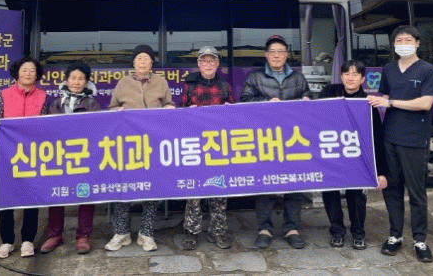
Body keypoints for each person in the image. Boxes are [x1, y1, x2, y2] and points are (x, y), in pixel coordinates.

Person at [368, 26, 433, 263]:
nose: (403, 44)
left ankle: (420, 240)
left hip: (414, 139)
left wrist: (390, 102)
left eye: (408, 40)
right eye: (398, 40)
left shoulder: (427, 70)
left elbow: (425, 104)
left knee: (416, 192)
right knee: (392, 190)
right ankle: (395, 236)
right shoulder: (389, 69)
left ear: (417, 43)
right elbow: (382, 97)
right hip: (390, 137)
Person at [239, 35, 311, 249]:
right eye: (272, 52)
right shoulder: (255, 77)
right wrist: (266, 102)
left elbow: (308, 100)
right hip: (265, 138)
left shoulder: (298, 78)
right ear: (266, 55)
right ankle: (264, 229)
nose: (277, 55)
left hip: (292, 138)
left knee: (294, 183)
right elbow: (245, 100)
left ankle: (292, 228)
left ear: (287, 55)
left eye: (281, 51)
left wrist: (308, 100)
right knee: (266, 183)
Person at [105, 44, 176, 252]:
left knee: (152, 187)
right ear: (133, 63)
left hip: (153, 143)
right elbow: (111, 107)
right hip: (127, 144)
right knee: (123, 186)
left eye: (146, 58)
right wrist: (116, 110)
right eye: (139, 58)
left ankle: (146, 233)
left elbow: (169, 104)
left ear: (152, 62)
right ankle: (122, 233)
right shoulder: (123, 83)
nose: (143, 61)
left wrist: (169, 107)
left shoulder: (160, 82)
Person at [319, 60, 388, 251]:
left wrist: (381, 172)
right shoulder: (328, 93)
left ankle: (358, 233)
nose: (350, 78)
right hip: (332, 152)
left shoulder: (367, 103)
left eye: (355, 74)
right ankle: (337, 232)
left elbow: (376, 138)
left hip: (356, 156)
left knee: (357, 196)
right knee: (330, 192)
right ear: (341, 76)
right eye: (347, 74)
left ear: (363, 79)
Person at [0, 56, 52, 259]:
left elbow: (45, 126)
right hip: (7, 154)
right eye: (24, 70)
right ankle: (7, 241)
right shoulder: (4, 94)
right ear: (17, 73)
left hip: (33, 155)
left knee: (31, 198)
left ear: (37, 75)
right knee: (7, 199)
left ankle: (28, 240)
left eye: (32, 71)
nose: (28, 74)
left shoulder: (43, 96)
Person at [40, 61, 101, 255]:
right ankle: (54, 235)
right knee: (57, 194)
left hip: (84, 157)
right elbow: (47, 130)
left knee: (86, 194)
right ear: (66, 80)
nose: (76, 82)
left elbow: (97, 131)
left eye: (81, 78)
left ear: (86, 82)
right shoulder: (55, 104)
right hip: (59, 156)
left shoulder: (92, 105)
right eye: (73, 78)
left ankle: (83, 236)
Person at [180, 46, 235, 251]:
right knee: (194, 191)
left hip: (218, 146)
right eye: (204, 61)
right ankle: (192, 231)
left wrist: (230, 110)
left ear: (217, 64)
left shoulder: (224, 86)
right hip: (195, 145)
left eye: (212, 61)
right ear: (199, 64)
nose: (208, 64)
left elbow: (234, 116)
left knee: (219, 190)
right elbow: (179, 114)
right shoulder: (190, 86)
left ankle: (217, 231)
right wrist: (188, 111)